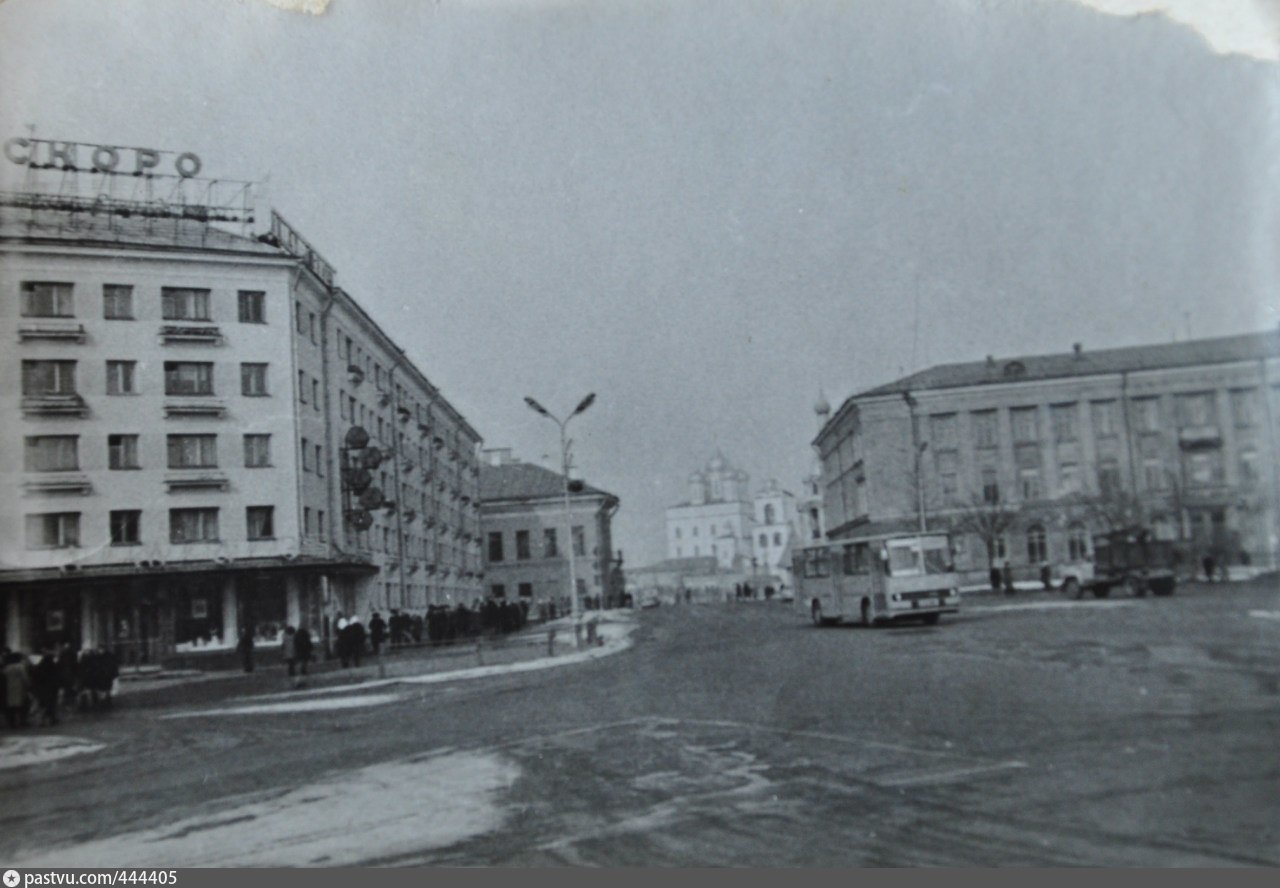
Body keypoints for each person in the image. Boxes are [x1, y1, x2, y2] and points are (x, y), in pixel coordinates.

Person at [31, 649, 60, 726]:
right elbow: (57, 678)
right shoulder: (53, 667)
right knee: (50, 705)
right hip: (51, 690)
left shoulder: (39, 667)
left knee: (42, 705)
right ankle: (51, 719)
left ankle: (41, 720)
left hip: (41, 690)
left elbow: (35, 678)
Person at [4, 652, 30, 728]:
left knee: (11, 705)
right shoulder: (20, 667)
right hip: (20, 687)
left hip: (9, 687)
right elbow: (24, 677)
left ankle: (12, 722)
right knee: (22, 705)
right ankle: (22, 721)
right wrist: (28, 684)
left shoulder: (7, 667)